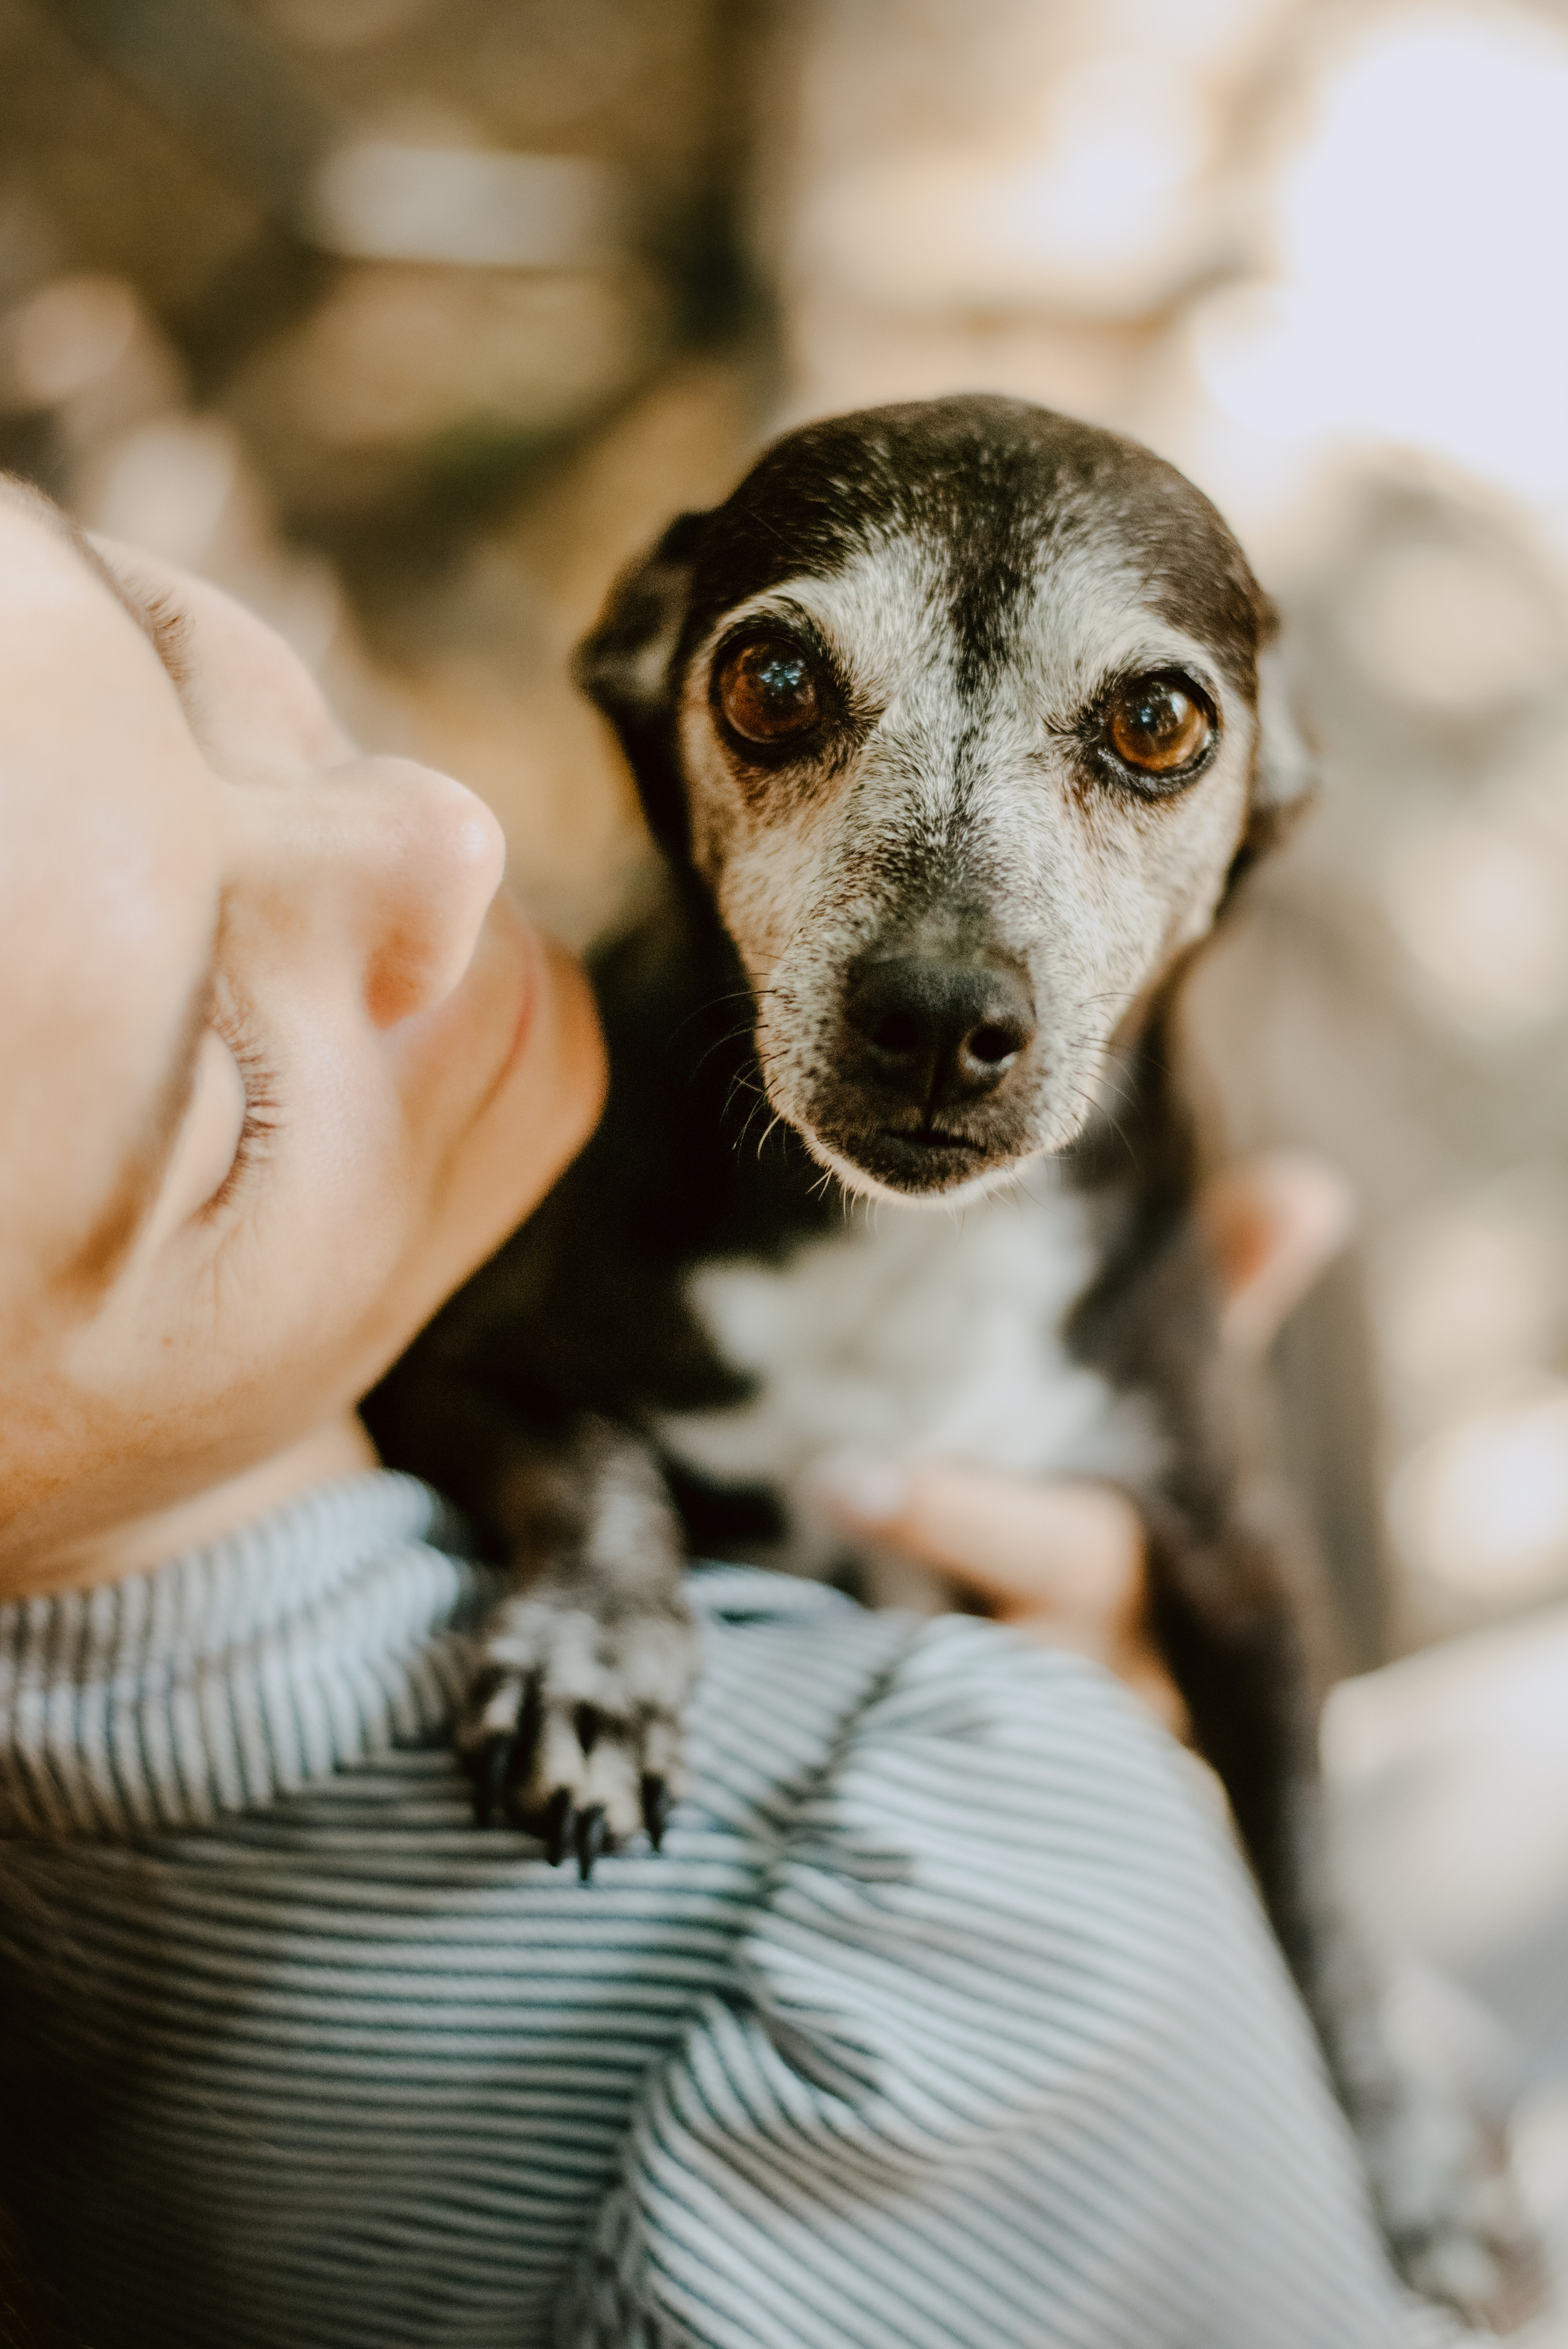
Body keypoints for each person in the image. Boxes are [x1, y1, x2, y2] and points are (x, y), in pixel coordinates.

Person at [0, 475, 1476, 2349]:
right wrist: (1109, 1809)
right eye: (211, 1077)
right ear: (654, 672)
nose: (439, 829)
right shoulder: (949, 1842)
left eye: (178, 669)